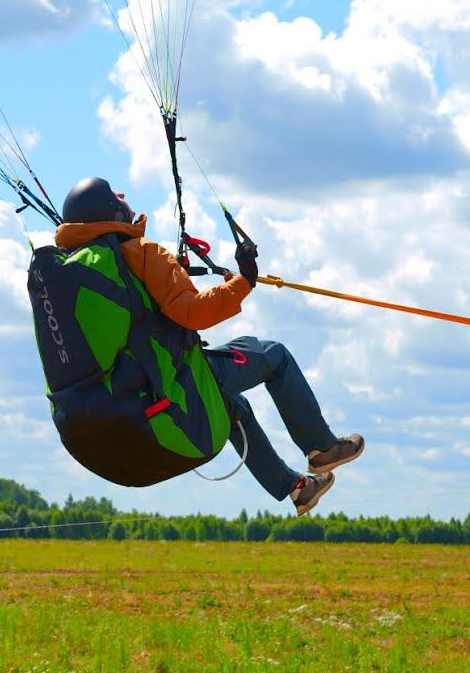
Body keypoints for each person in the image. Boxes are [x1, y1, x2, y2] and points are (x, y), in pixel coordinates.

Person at [53, 177, 365, 515]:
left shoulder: (72, 272)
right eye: (116, 194)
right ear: (112, 211)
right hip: (173, 385)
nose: (125, 196)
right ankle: (321, 447)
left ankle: (297, 488)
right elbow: (194, 313)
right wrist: (244, 280)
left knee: (231, 407)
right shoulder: (141, 254)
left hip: (134, 398)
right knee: (273, 356)